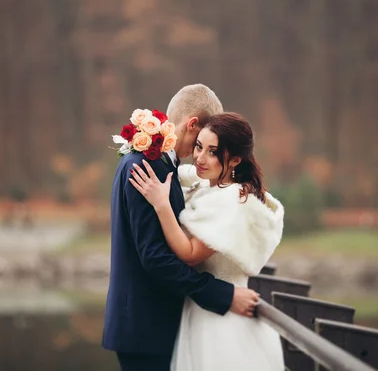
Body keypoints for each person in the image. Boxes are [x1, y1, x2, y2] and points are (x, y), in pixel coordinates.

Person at [102, 85, 261, 371]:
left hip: (148, 328)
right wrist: (223, 296)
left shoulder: (159, 164)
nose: (200, 154)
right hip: (147, 329)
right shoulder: (147, 166)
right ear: (193, 125)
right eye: (202, 141)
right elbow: (155, 258)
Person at [129, 112, 285, 370]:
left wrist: (161, 205)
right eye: (199, 146)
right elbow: (186, 172)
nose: (200, 157)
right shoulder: (211, 187)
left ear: (235, 159)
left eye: (213, 152)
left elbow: (190, 253)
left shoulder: (232, 199)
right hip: (205, 308)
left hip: (223, 316)